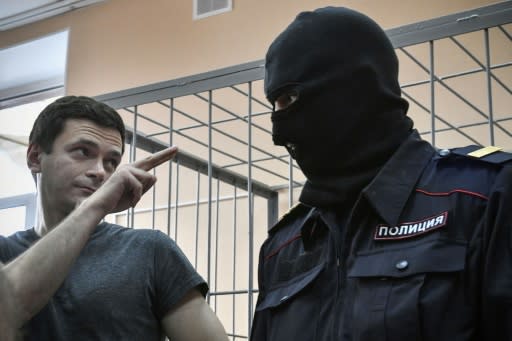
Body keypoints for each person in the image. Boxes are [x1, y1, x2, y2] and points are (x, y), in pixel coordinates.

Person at [251, 7, 512, 341]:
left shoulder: (484, 198)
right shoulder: (283, 247)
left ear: (352, 90)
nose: (278, 133)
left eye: (290, 98)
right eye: (275, 104)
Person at [0, 96, 228, 340]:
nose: (100, 172)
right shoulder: (5, 252)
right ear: (35, 157)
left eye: (112, 162)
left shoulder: (149, 251)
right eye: (82, 152)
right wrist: (95, 206)